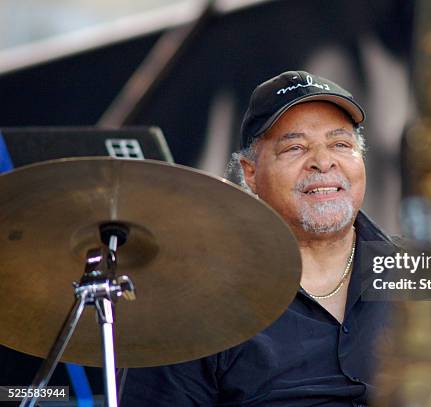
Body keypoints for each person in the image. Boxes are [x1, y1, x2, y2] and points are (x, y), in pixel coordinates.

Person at [122, 71, 393, 406]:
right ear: (250, 173)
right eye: (295, 148)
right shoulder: (194, 300)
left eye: (340, 145)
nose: (323, 162)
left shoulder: (424, 268)